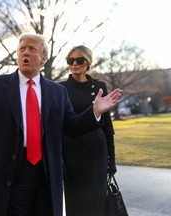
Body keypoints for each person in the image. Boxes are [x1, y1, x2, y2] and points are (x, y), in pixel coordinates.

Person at [0, 33, 122, 216]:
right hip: (8, 170)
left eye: (32, 49)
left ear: (43, 59)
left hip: (45, 173)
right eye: (22, 48)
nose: (26, 52)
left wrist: (94, 112)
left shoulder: (57, 92)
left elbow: (71, 126)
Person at [60, 45, 117, 216]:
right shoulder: (59, 88)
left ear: (88, 62)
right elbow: (59, 125)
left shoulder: (99, 87)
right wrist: (60, 161)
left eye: (79, 60)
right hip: (72, 152)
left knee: (97, 202)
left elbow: (107, 125)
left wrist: (111, 159)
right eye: (70, 60)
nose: (74, 64)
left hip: (96, 153)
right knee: (75, 202)